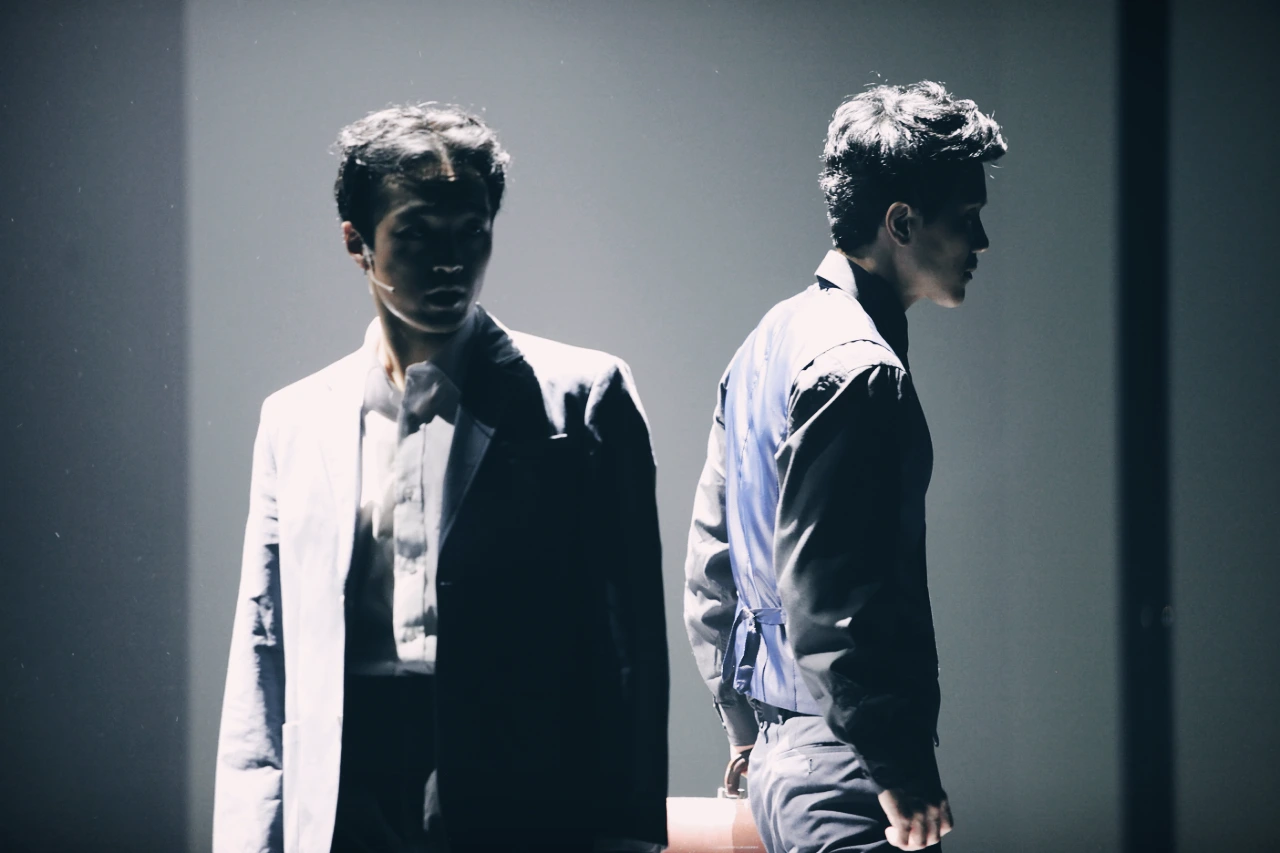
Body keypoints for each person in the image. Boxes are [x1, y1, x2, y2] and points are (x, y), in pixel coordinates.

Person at [213, 104, 669, 853]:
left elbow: (630, 649)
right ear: (357, 242)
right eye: (418, 234)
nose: (452, 260)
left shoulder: (584, 396)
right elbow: (265, 643)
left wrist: (630, 833)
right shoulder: (295, 419)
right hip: (344, 785)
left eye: (472, 231)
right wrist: (249, 835)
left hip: (522, 789)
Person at [684, 81, 1006, 852]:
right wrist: (894, 762)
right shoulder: (860, 368)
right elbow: (832, 592)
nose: (983, 241)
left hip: (783, 756)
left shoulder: (768, 340)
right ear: (901, 223)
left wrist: (745, 728)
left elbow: (711, 563)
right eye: (966, 216)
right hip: (845, 768)